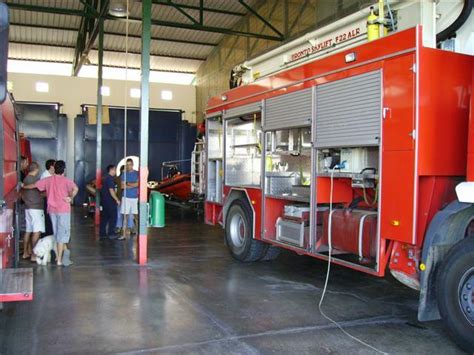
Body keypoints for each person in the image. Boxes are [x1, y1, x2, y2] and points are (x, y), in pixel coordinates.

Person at [24, 160, 78, 266]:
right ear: (64, 170)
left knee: (57, 233)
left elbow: (34, 185)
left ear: (54, 169)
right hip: (63, 210)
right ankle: (59, 259)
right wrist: (71, 197)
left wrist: (23, 186)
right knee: (62, 235)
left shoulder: (48, 180)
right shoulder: (67, 181)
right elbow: (75, 188)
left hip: (52, 210)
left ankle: (60, 257)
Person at [21, 162, 44, 262]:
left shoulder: (26, 179)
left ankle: (26, 252)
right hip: (36, 208)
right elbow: (42, 191)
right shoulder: (35, 179)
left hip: (28, 207)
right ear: (37, 169)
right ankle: (34, 254)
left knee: (28, 230)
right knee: (36, 232)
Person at [100, 165, 120, 239]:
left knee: (104, 218)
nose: (115, 172)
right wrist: (117, 199)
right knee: (113, 217)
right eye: (115, 170)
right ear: (111, 170)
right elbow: (111, 191)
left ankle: (102, 233)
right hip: (110, 202)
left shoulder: (106, 178)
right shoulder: (110, 179)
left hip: (105, 201)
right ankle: (111, 233)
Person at [121, 158, 139, 238]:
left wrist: (127, 183)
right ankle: (124, 234)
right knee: (125, 216)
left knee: (136, 216)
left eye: (130, 164)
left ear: (132, 165)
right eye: (127, 165)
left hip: (134, 197)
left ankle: (139, 233)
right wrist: (132, 185)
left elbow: (138, 184)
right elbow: (122, 186)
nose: (128, 166)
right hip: (125, 197)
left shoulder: (137, 174)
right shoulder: (123, 174)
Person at [114, 165, 133, 235]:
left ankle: (120, 227)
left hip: (124, 198)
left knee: (122, 214)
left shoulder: (117, 179)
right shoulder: (118, 179)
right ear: (122, 171)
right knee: (127, 214)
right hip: (122, 198)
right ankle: (129, 228)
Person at [40, 159, 55, 236]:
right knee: (48, 218)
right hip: (47, 199)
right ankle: (47, 236)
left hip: (52, 200)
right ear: (51, 166)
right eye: (55, 165)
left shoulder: (52, 175)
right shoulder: (45, 176)